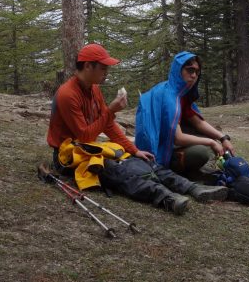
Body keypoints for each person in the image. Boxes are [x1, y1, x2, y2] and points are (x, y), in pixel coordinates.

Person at [46, 43, 226, 214]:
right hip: (69, 156)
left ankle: (192, 188)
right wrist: (111, 110)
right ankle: (167, 198)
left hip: (89, 147)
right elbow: (84, 135)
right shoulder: (67, 94)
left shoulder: (94, 89)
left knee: (144, 160)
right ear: (87, 66)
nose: (106, 73)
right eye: (103, 68)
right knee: (119, 170)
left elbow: (108, 126)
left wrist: (134, 150)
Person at [134, 52, 235, 180]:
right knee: (203, 151)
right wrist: (211, 142)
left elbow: (198, 122)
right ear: (178, 70)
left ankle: (193, 169)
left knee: (211, 140)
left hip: (170, 146)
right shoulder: (168, 96)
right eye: (190, 70)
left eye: (197, 72)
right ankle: (182, 171)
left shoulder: (180, 95)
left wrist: (223, 138)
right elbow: (178, 138)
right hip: (159, 154)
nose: (194, 76)